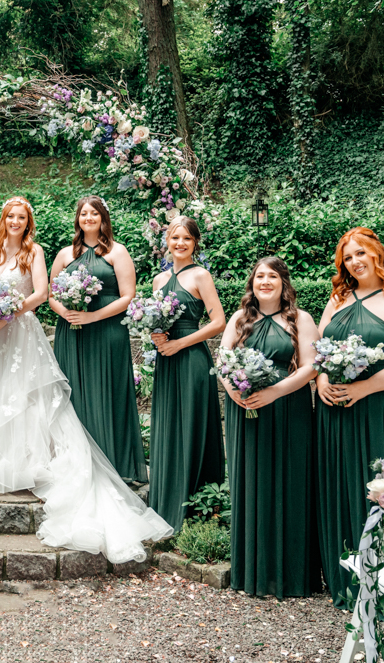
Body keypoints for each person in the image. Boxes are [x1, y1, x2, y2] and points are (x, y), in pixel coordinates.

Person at [0, 197, 172, 563]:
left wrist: (8, 315)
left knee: (27, 398)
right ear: (3, 219)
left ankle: (31, 462)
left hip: (20, 333)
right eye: (11, 216)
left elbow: (41, 294)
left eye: (22, 217)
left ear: (28, 222)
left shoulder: (37, 251)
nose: (15, 221)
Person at [316, 227, 384, 614]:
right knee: (344, 484)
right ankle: (351, 583)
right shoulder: (337, 298)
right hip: (338, 413)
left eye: (361, 253)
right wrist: (324, 379)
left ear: (377, 253)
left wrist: (364, 388)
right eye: (347, 257)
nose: (355, 261)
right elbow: (319, 350)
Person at [218, 257, 321, 599]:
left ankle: (292, 575)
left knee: (290, 482)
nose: (265, 281)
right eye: (259, 275)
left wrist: (275, 391)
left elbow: (310, 368)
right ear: (252, 282)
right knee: (252, 482)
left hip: (289, 409)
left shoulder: (300, 319)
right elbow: (223, 360)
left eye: (272, 276)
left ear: (283, 283)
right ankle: (252, 572)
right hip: (245, 412)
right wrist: (234, 392)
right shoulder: (240, 318)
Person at [48, 196, 145, 484]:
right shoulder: (66, 254)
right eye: (83, 214)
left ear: (103, 218)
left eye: (94, 213)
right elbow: (52, 294)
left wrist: (93, 316)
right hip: (72, 332)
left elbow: (128, 296)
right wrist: (65, 312)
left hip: (107, 331)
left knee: (108, 391)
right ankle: (76, 461)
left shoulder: (118, 251)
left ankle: (113, 462)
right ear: (78, 219)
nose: (88, 218)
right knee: (73, 392)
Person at [148, 216, 226, 533]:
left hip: (191, 357)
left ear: (195, 243)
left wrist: (181, 342)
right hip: (167, 359)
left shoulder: (201, 275)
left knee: (193, 426)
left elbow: (218, 321)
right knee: (167, 426)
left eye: (187, 239)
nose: (180, 243)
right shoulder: (157, 280)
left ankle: (195, 509)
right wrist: (155, 335)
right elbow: (155, 319)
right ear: (167, 240)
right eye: (175, 237)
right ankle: (165, 503)